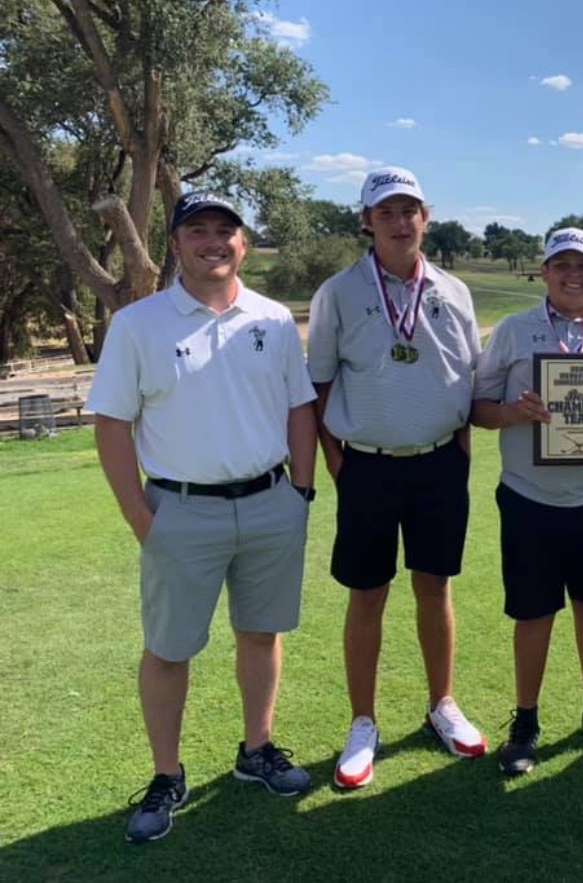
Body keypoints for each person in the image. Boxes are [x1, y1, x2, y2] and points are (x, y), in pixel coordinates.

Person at [88, 191, 318, 843]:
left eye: (226, 231)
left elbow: (300, 407)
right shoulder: (139, 324)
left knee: (262, 632)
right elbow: (111, 422)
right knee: (168, 649)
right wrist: (138, 513)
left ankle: (257, 750)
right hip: (179, 511)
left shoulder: (272, 319)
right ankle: (167, 775)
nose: (213, 241)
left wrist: (300, 492)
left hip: (271, 503)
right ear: (176, 244)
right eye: (198, 231)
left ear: (242, 244)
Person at [307, 166, 485, 790]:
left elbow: (470, 381)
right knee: (368, 594)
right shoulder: (339, 292)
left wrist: (459, 446)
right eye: (386, 212)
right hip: (367, 467)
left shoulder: (455, 291)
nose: (400, 221)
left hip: (439, 464)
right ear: (367, 221)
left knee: (435, 589)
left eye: (410, 210)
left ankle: (442, 704)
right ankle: (363, 723)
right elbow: (320, 384)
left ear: (425, 219)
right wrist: (336, 461)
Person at [471, 227, 583, 776]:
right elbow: (478, 405)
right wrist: (510, 414)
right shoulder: (514, 330)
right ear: (543, 271)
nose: (573, 274)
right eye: (561, 264)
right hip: (530, 494)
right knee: (533, 612)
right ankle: (525, 719)